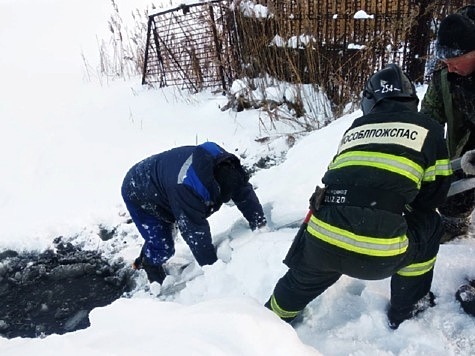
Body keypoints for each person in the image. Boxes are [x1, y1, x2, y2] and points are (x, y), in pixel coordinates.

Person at [265, 64, 452, 329]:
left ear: (369, 101)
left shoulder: (355, 129)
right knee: (431, 225)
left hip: (321, 240)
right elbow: (433, 196)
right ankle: (408, 308)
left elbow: (340, 176)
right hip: (379, 257)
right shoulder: (429, 129)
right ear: (411, 100)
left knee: (301, 280)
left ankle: (269, 321)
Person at [121, 142, 267, 283]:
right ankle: (149, 264)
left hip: (165, 181)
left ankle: (151, 248)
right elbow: (194, 231)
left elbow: (243, 192)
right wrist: (212, 269)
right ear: (215, 188)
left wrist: (259, 223)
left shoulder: (226, 164)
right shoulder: (187, 186)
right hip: (139, 189)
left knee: (175, 222)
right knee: (163, 246)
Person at [420, 5, 475, 242]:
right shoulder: (446, 75)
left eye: (455, 61)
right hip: (466, 141)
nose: (449, 67)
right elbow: (429, 115)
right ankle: (455, 223)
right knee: (453, 190)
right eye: (445, 61)